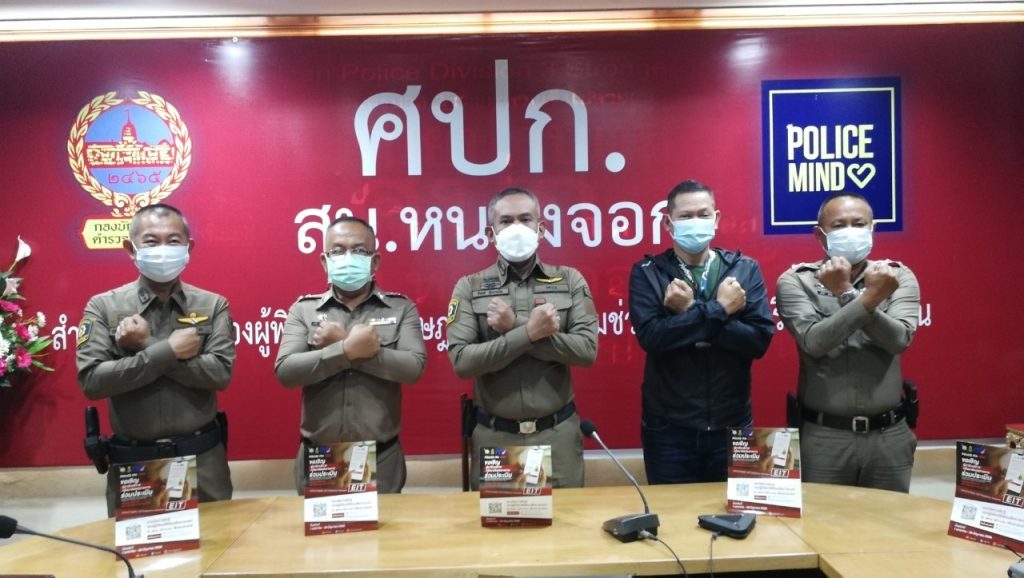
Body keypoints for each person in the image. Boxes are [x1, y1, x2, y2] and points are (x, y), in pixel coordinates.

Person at [77, 203, 235, 516]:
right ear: (130, 249)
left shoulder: (212, 304)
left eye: (173, 241)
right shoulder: (104, 307)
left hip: (203, 462)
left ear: (188, 248)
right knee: (140, 549)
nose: (163, 249)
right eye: (151, 241)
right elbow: (92, 381)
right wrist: (169, 351)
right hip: (135, 466)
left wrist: (147, 345)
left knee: (216, 545)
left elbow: (219, 374)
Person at [446, 187, 598, 489]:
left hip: (558, 436)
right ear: (491, 233)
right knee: (503, 522)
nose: (516, 227)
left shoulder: (570, 279)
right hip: (496, 439)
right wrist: (529, 332)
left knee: (566, 521)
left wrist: (514, 326)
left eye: (525, 219)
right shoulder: (469, 286)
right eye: (506, 221)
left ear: (541, 229)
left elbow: (586, 351)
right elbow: (462, 362)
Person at [629, 179, 775, 484]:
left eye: (703, 214)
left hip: (734, 423)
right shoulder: (647, 273)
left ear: (716, 219)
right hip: (668, 430)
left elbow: (758, 341)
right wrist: (720, 310)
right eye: (685, 216)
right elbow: (653, 338)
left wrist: (689, 311)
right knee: (672, 512)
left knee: (738, 511)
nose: (695, 221)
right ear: (668, 223)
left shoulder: (745, 268)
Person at [776, 192, 920, 493]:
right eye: (839, 225)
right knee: (823, 522)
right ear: (820, 235)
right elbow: (814, 342)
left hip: (889, 436)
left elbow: (898, 340)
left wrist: (847, 295)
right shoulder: (797, 280)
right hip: (824, 437)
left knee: (890, 521)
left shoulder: (896, 276)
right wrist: (866, 299)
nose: (850, 231)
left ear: (872, 229)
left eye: (859, 223)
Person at [275, 216, 426, 494]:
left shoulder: (401, 308)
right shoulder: (303, 310)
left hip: (382, 460)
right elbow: (286, 371)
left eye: (358, 250)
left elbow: (413, 368)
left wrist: (342, 342)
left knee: (386, 526)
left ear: (375, 261)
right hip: (321, 459)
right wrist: (345, 350)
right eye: (337, 250)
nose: (348, 257)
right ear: (324, 261)